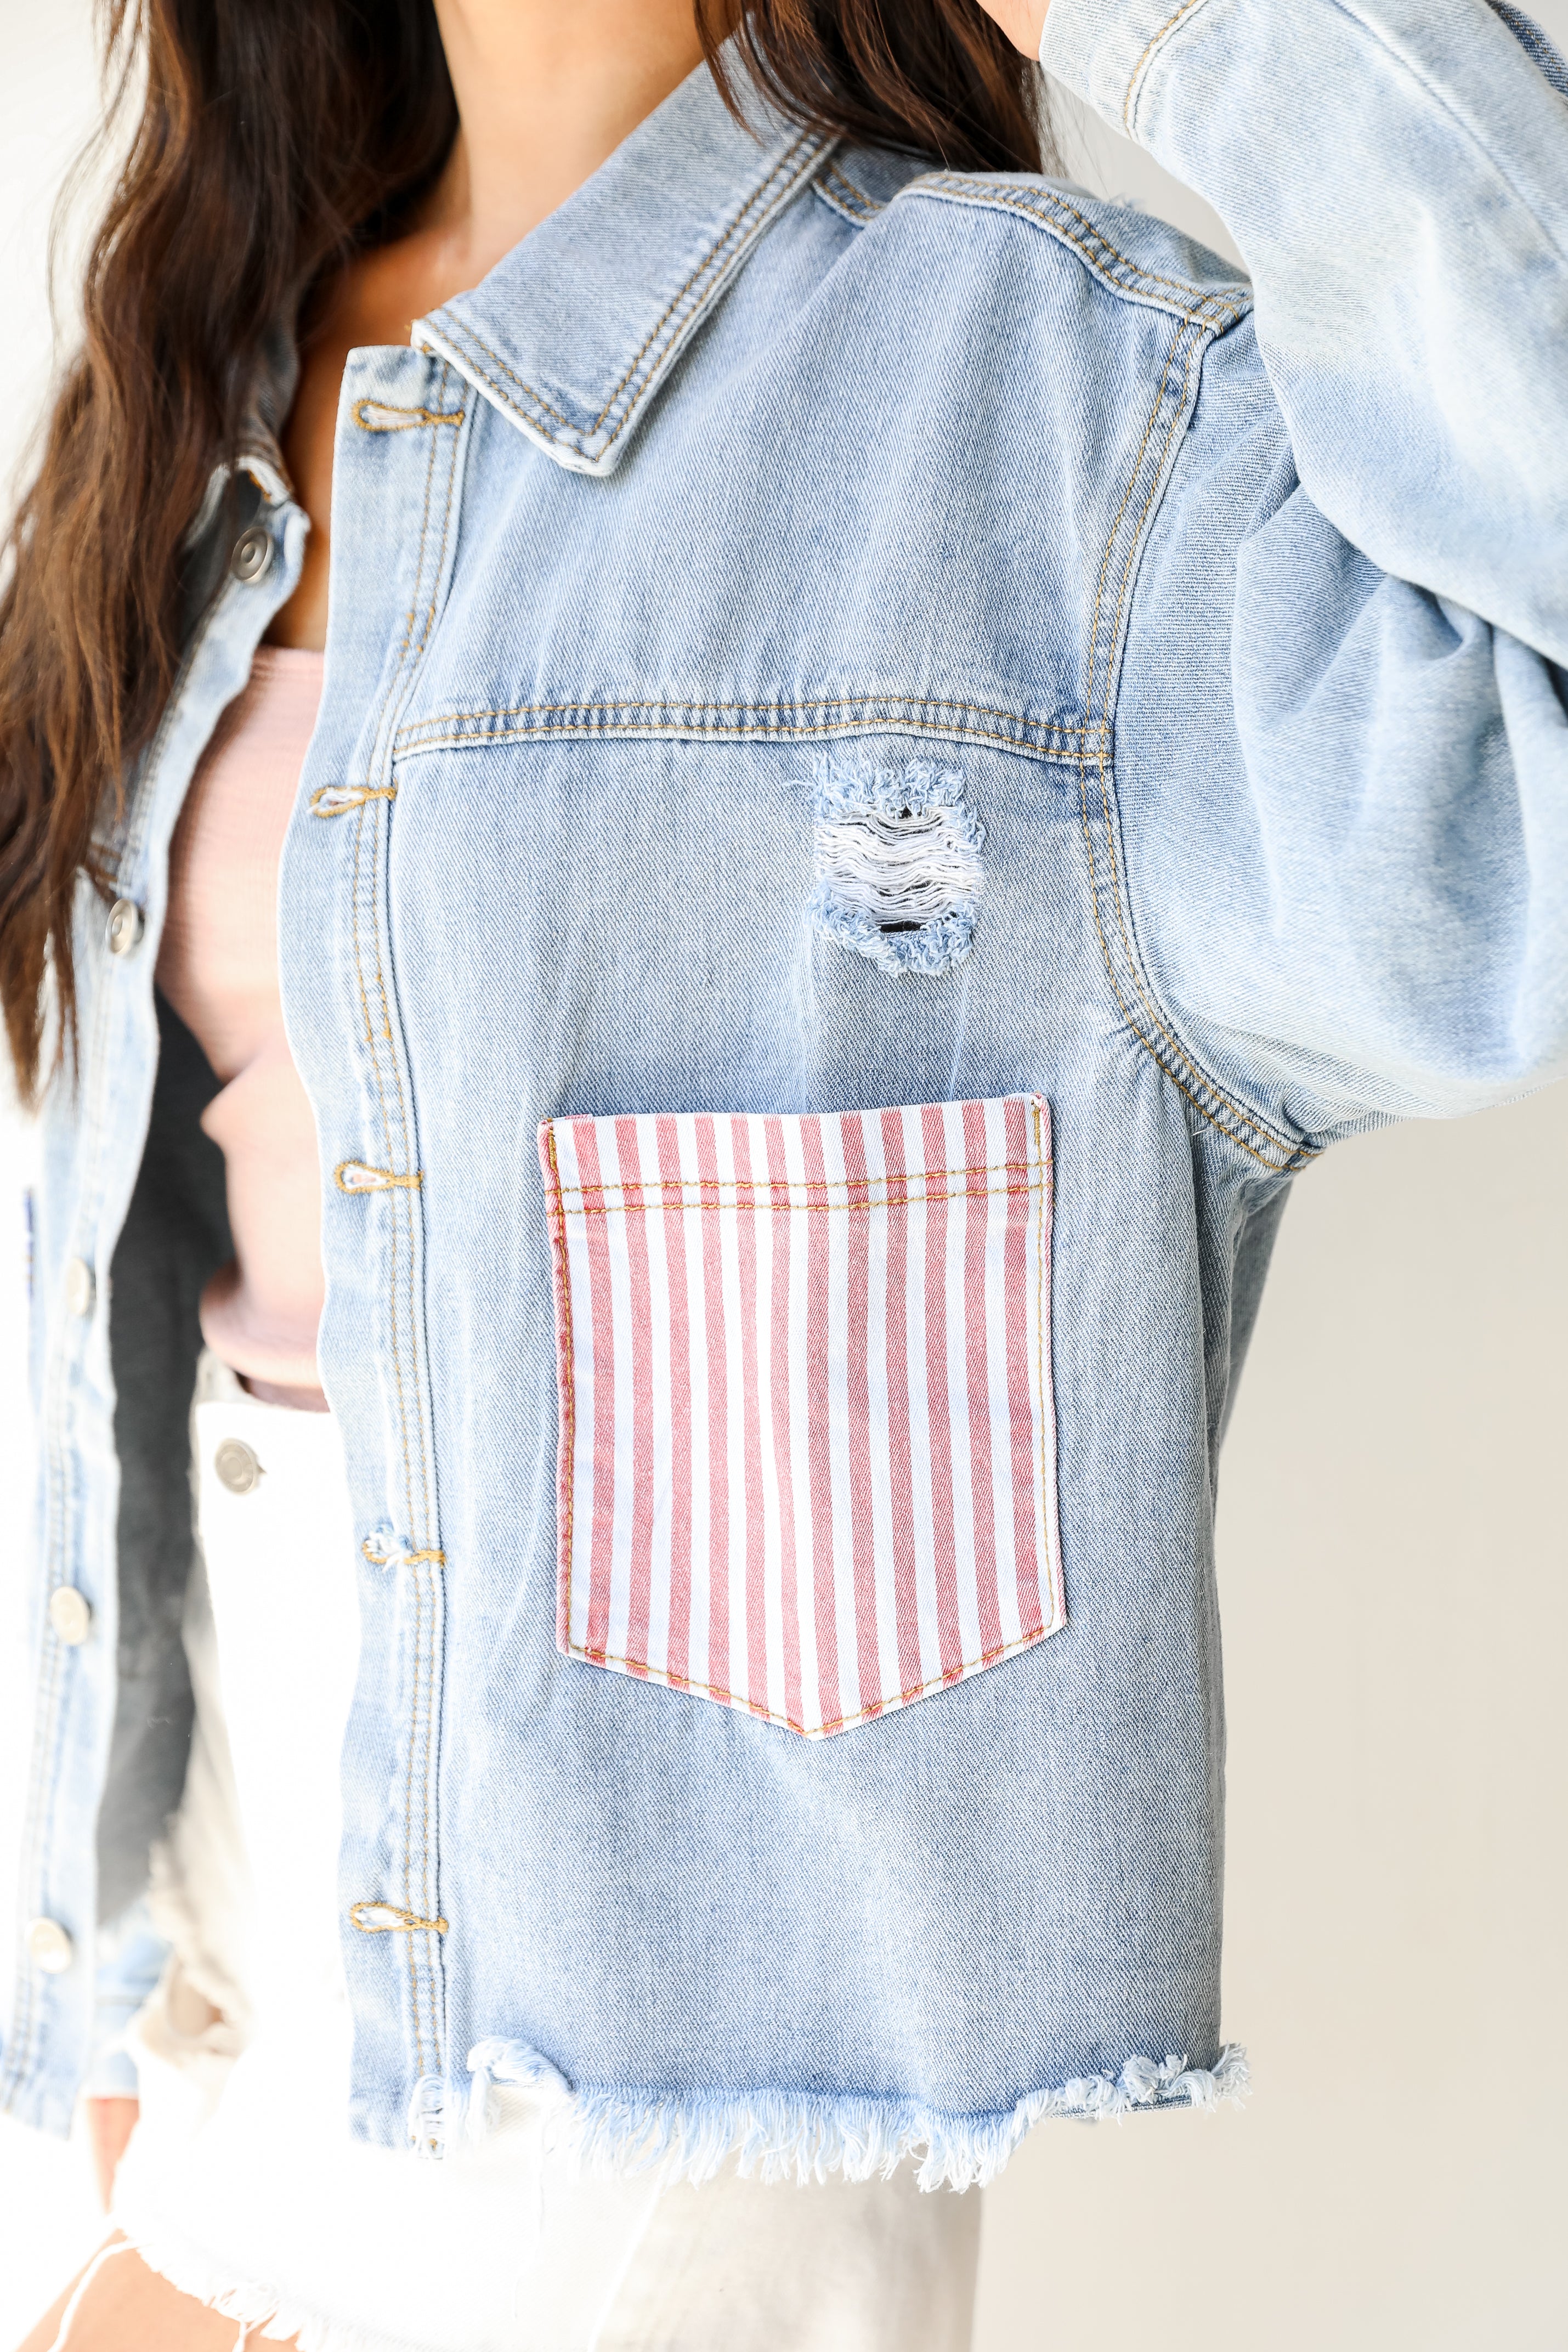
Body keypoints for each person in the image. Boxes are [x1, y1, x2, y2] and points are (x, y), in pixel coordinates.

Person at [3, 0, 1565, 2343]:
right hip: (222, 1976)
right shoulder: (201, 374)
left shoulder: (1047, 401)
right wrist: (122, 2028)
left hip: (673, 2077)